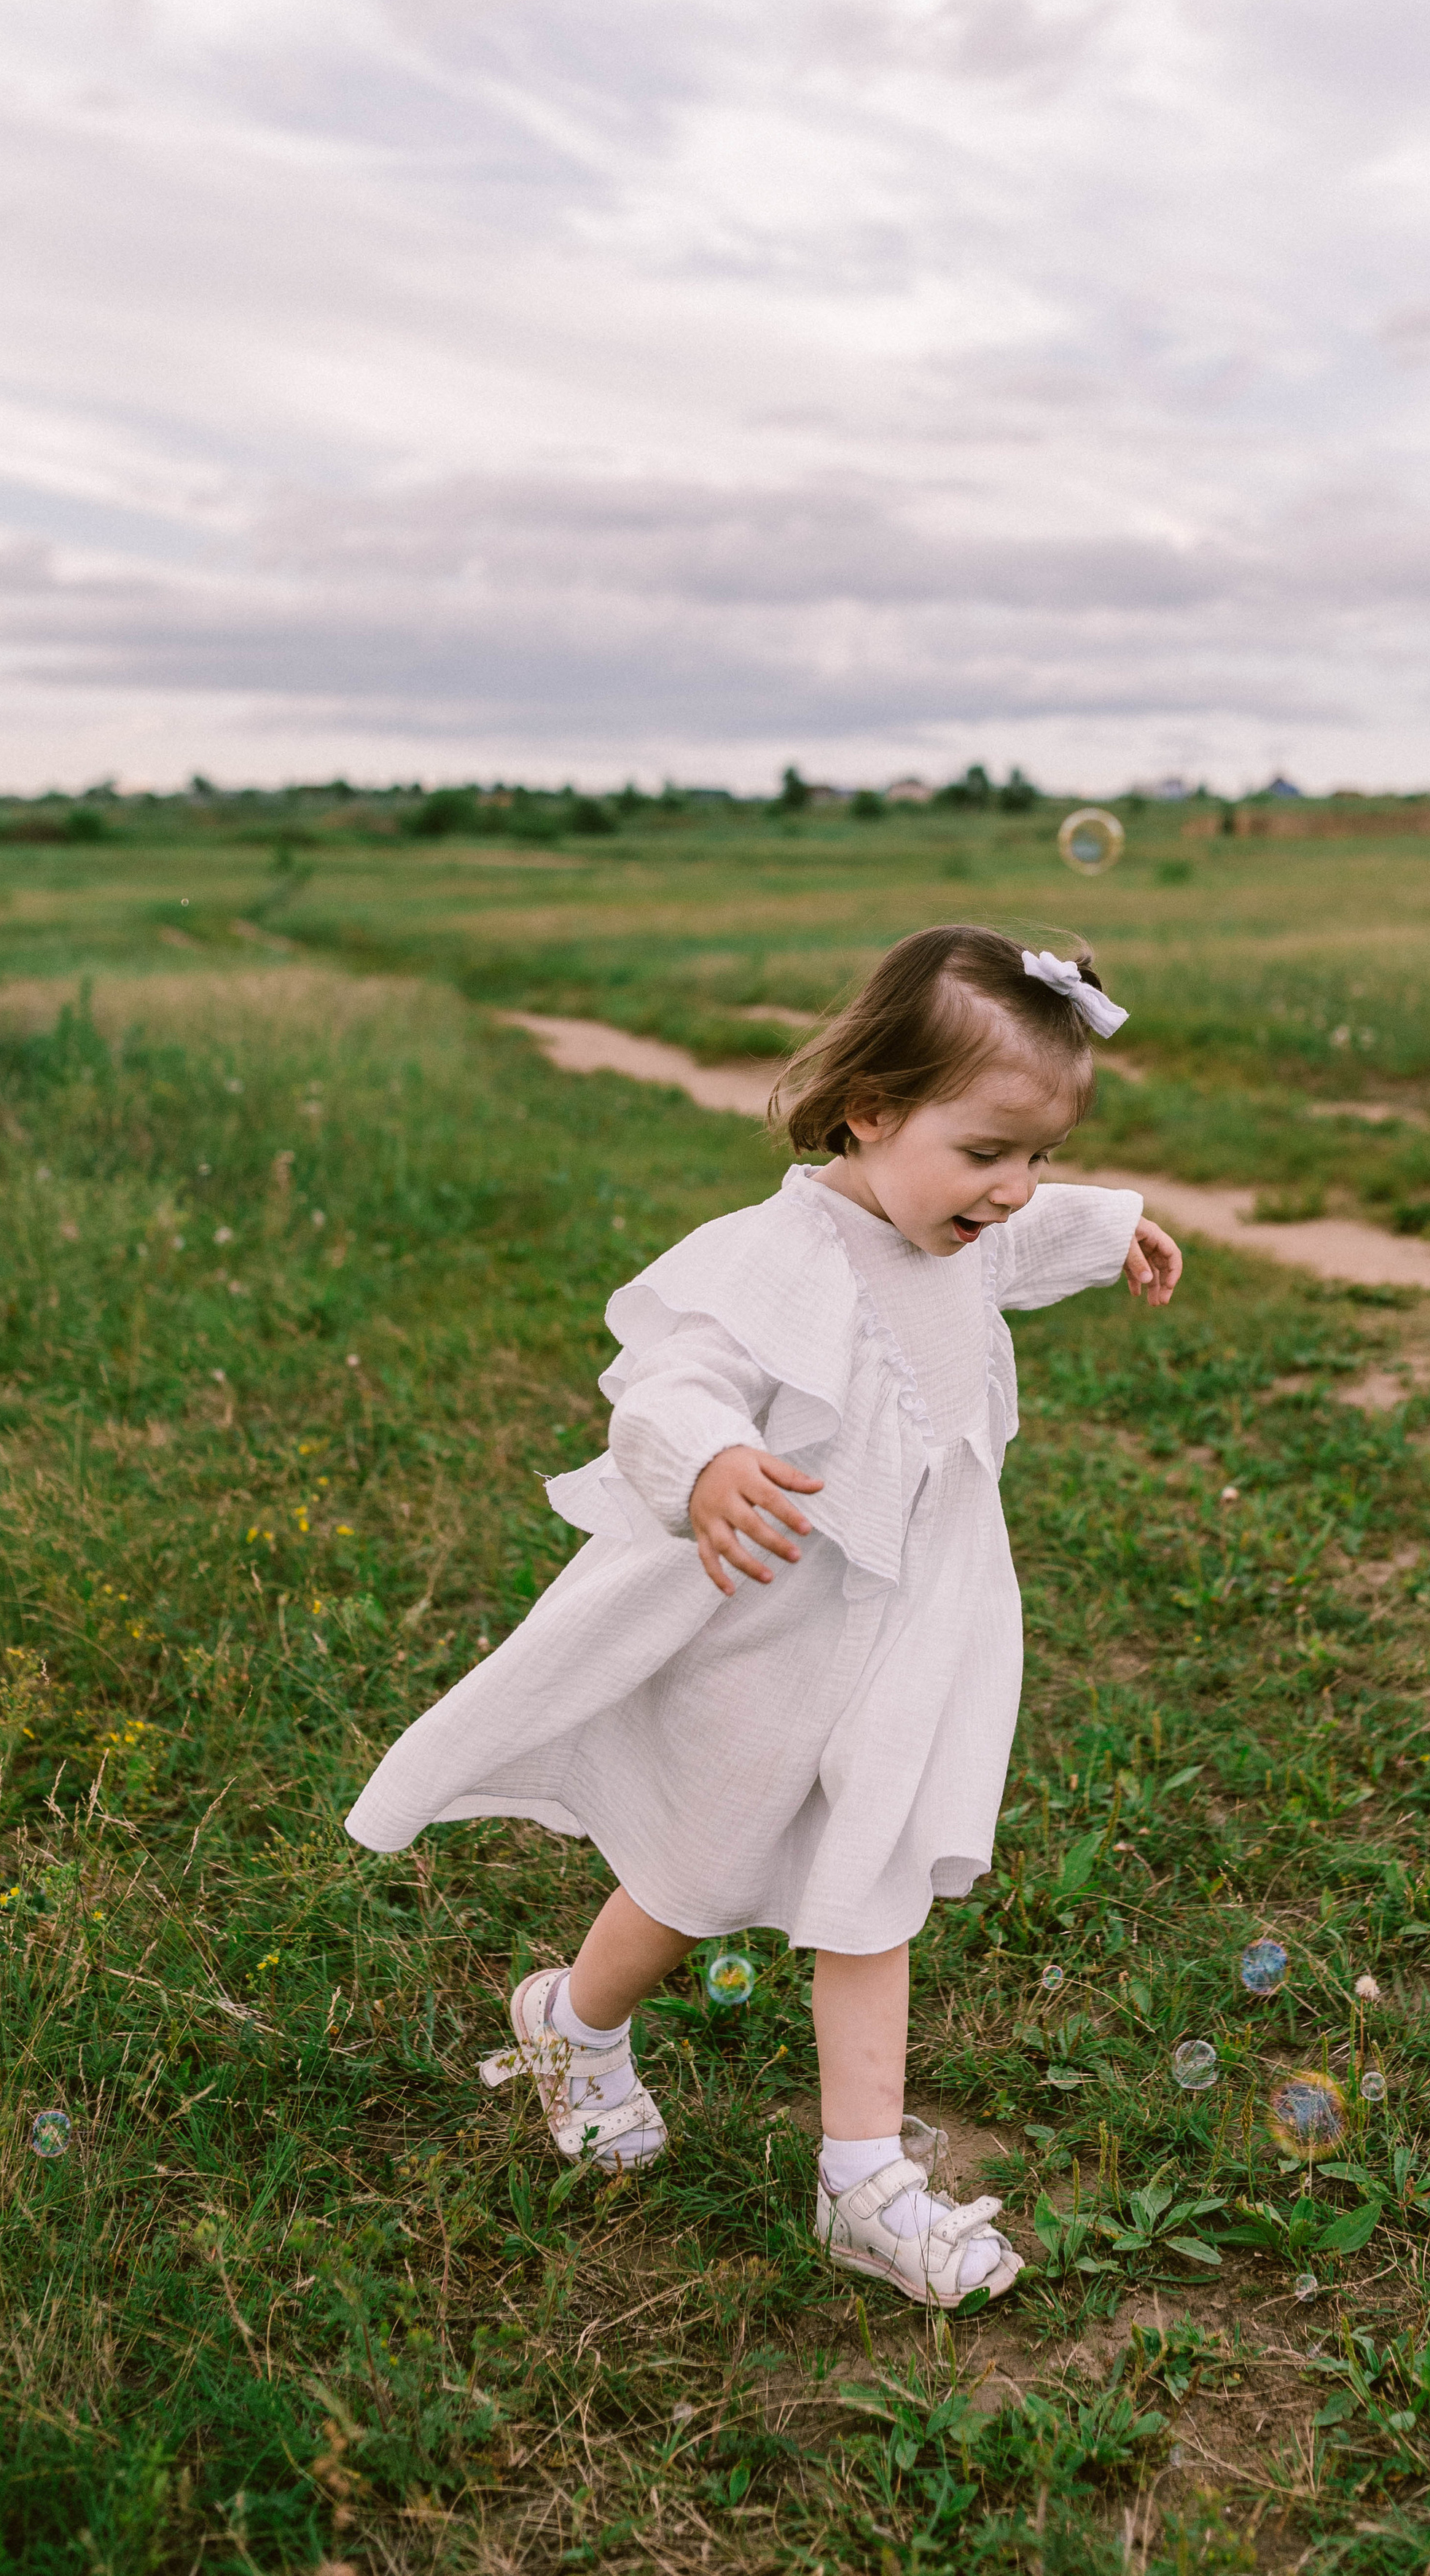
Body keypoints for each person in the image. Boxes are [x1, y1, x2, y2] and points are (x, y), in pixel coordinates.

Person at [345, 923, 1183, 2306]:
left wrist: (1107, 1221)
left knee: (879, 1877)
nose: (1016, 1192)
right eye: (990, 1155)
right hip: (770, 1631)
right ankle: (572, 2018)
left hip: (913, 1628)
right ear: (871, 1113)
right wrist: (712, 1461)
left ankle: (863, 2181)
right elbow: (670, 1382)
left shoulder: (964, 1226)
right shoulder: (769, 1256)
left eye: (1040, 1158)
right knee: (689, 1876)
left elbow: (1010, 1256)